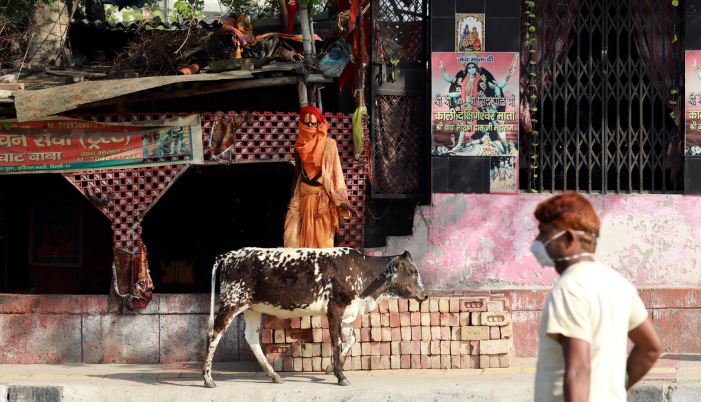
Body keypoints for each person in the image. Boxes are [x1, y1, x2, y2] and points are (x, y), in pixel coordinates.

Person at [531, 193, 662, 402]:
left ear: (567, 238)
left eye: (545, 234)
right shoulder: (618, 284)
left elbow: (578, 370)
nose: (538, 243)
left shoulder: (569, 289)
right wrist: (615, 389)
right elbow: (650, 348)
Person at [283, 106, 354, 248]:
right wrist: (290, 203)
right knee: (295, 241)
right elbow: (298, 174)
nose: (310, 127)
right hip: (303, 198)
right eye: (307, 124)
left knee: (324, 244)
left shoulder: (330, 145)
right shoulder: (299, 148)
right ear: (301, 124)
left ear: (319, 124)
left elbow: (336, 174)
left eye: (313, 124)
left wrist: (341, 200)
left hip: (323, 201)